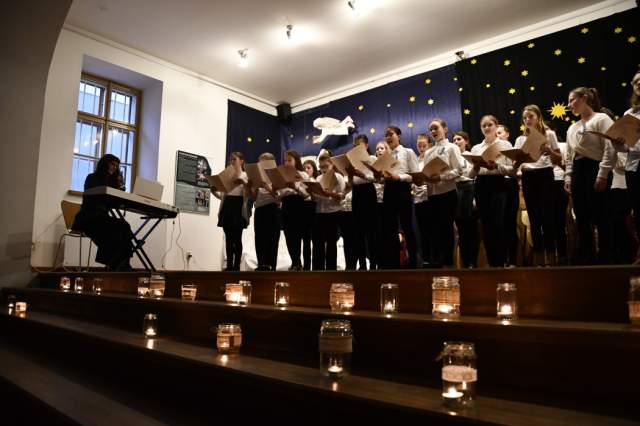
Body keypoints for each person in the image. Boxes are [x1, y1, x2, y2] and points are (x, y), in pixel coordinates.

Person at [564, 87, 615, 264]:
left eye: (572, 100)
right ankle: (587, 258)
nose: (569, 105)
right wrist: (568, 177)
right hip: (578, 171)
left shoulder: (601, 119)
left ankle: (606, 258)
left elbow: (610, 147)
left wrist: (603, 174)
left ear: (585, 97)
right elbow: (569, 156)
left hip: (595, 168)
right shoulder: (572, 127)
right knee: (582, 216)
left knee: (601, 215)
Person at [513, 105, 562, 265]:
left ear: (538, 117)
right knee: (534, 218)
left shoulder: (549, 134)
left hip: (545, 175)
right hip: (528, 176)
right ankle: (539, 257)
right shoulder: (520, 139)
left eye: (531, 116)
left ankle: (551, 256)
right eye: (525, 118)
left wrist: (549, 150)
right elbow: (515, 164)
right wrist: (518, 160)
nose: (527, 120)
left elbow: (559, 159)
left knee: (548, 216)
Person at [468, 115, 515, 267]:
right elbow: (470, 175)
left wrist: (497, 166)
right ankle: (492, 263)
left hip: (498, 183)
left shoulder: (505, 144)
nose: (487, 128)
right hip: (481, 185)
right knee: (486, 225)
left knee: (498, 223)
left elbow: (512, 170)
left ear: (496, 126)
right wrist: (476, 167)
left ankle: (501, 261)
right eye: (484, 125)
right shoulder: (476, 148)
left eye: (490, 125)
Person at [73, 154, 133, 271]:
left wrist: (121, 188)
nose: (114, 167)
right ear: (104, 163)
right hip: (88, 218)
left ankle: (121, 263)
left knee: (124, 226)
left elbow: (112, 203)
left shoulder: (111, 183)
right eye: (112, 164)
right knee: (120, 227)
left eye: (116, 166)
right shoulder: (92, 178)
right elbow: (97, 199)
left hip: (101, 217)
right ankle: (118, 264)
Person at [421, 119, 464, 267]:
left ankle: (448, 263)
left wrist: (441, 177)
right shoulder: (428, 152)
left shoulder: (452, 147)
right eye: (431, 129)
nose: (433, 131)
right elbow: (426, 173)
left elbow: (459, 170)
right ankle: (437, 262)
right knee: (435, 230)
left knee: (446, 229)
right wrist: (422, 179)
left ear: (445, 129)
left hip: (447, 192)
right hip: (432, 194)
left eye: (436, 128)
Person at [610, 70, 640, 262]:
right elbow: (625, 147)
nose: (639, 83)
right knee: (638, 210)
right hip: (634, 167)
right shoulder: (629, 114)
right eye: (636, 81)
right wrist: (618, 142)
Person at [380, 126, 419, 269]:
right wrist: (379, 176)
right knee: (389, 228)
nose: (388, 137)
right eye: (386, 135)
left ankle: (413, 261)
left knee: (407, 226)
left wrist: (399, 177)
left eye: (391, 134)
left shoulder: (407, 152)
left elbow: (415, 175)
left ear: (399, 136)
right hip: (388, 190)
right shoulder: (385, 156)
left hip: (402, 189)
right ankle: (393, 262)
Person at [346, 134, 379, 270]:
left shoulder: (372, 158)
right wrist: (350, 175)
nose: (356, 148)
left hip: (368, 191)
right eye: (354, 146)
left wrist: (363, 175)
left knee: (371, 231)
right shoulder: (352, 161)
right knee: (358, 232)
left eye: (359, 145)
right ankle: (362, 264)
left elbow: (378, 178)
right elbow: (350, 184)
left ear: (366, 145)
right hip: (357, 193)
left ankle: (373, 264)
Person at [213, 152, 250, 271]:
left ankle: (236, 265)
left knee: (237, 238)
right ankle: (229, 265)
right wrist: (213, 191)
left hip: (238, 207)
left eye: (234, 159)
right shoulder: (227, 176)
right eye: (230, 159)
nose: (232, 162)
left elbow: (248, 195)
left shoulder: (245, 175)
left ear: (241, 161)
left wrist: (244, 183)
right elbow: (222, 197)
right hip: (227, 206)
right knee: (228, 239)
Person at [277, 150, 310, 271]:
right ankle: (295, 261)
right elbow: (280, 194)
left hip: (298, 204)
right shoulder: (282, 175)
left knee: (297, 235)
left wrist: (295, 187)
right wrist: (278, 189)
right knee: (288, 235)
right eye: (285, 160)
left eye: (289, 160)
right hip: (286, 204)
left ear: (296, 161)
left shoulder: (303, 174)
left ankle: (299, 263)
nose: (287, 163)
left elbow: (307, 194)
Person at [312, 154, 345, 270]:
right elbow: (315, 198)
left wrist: (329, 193)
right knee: (318, 243)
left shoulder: (338, 177)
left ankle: (331, 269)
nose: (323, 169)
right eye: (321, 167)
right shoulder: (318, 178)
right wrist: (312, 192)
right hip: (320, 212)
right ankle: (318, 269)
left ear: (332, 164)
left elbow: (342, 196)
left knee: (331, 243)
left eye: (325, 166)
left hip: (333, 212)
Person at [249, 152, 281, 271]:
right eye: (260, 163)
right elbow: (254, 197)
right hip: (259, 209)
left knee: (272, 237)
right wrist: (252, 187)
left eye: (264, 163)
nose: (261, 165)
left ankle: (271, 265)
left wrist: (268, 187)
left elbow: (279, 198)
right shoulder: (258, 176)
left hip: (272, 208)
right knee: (260, 237)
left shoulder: (276, 176)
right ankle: (261, 264)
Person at [452, 131, 479, 268]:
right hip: (456, 190)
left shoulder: (471, 155)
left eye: (459, 139)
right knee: (461, 230)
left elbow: (476, 176)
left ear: (466, 141)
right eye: (454, 140)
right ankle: (465, 262)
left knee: (472, 229)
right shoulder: (452, 157)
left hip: (470, 189)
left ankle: (473, 262)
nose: (456, 142)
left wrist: (475, 198)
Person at [497, 124, 520, 266]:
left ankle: (512, 260)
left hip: (510, 185)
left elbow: (515, 170)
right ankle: (501, 259)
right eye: (496, 133)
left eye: (500, 132)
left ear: (507, 134)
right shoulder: (492, 148)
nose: (497, 135)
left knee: (510, 223)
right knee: (499, 224)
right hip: (496, 185)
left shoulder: (511, 148)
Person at [414, 133, 432, 266]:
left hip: (430, 197)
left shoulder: (431, 158)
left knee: (431, 229)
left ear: (429, 145)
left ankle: (434, 259)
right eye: (419, 146)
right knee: (422, 230)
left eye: (424, 145)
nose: (421, 148)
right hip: (418, 199)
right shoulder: (416, 160)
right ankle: (426, 259)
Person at [302, 159, 319, 270]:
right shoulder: (300, 182)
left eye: (309, 168)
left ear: (313, 169)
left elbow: (318, 198)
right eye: (304, 168)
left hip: (314, 209)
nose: (306, 170)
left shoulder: (316, 181)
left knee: (316, 239)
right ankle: (306, 266)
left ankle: (316, 266)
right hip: (304, 209)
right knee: (306, 239)